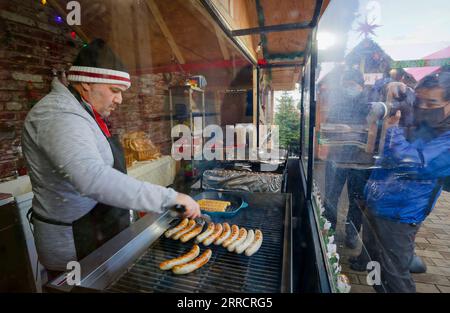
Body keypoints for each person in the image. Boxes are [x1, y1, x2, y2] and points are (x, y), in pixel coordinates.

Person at [22, 39, 200, 279]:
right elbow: (92, 178)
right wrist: (171, 198)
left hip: (96, 231)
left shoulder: (82, 110)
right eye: (114, 91)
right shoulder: (58, 114)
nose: (120, 100)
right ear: (86, 83)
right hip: (75, 244)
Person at [362, 70, 450, 292]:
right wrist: (389, 85)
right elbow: (379, 96)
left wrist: (392, 131)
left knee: (395, 275)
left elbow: (415, 164)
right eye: (421, 101)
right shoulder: (417, 116)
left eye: (432, 103)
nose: (423, 107)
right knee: (374, 265)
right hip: (375, 204)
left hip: (400, 216)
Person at [323, 68, 372, 249]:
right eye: (345, 85)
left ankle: (352, 233)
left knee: (356, 199)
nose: (347, 89)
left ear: (361, 86)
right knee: (331, 195)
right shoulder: (338, 104)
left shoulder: (369, 105)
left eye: (351, 85)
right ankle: (329, 230)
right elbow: (327, 127)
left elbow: (374, 131)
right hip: (336, 158)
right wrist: (333, 128)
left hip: (359, 161)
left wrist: (351, 130)